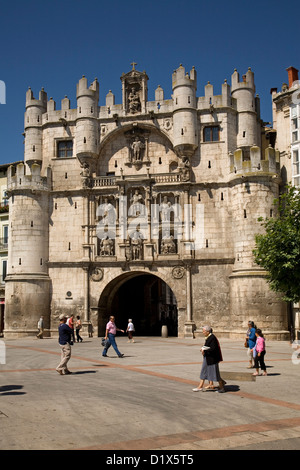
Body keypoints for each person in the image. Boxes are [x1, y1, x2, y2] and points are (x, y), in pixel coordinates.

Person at [192, 326, 226, 393]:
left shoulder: (212, 338)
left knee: (215, 374)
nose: (203, 332)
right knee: (203, 371)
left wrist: (205, 350)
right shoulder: (209, 337)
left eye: (204, 331)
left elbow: (213, 348)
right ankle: (200, 387)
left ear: (208, 332)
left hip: (212, 359)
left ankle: (222, 387)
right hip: (207, 358)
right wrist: (203, 349)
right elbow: (207, 346)